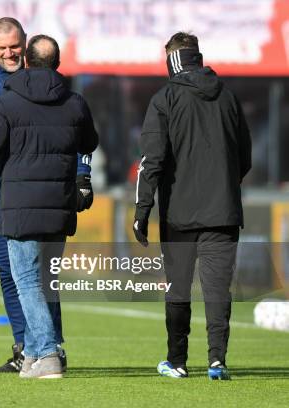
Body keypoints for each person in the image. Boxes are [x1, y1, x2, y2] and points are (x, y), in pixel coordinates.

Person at [0, 17, 93, 372]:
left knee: (32, 277)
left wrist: (82, 174)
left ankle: (47, 349)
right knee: (13, 275)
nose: (8, 53)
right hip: (7, 195)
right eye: (1, 48)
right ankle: (27, 347)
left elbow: (77, 142)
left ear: (26, 46)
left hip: (21, 196)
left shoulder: (23, 97)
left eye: (14, 46)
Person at [133, 32, 251, 380]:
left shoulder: (165, 98)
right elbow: (244, 158)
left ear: (170, 60)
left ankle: (177, 361)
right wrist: (223, 187)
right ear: (197, 57)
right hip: (224, 210)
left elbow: (151, 161)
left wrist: (142, 211)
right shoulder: (228, 97)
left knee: (178, 288)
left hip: (179, 215)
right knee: (218, 290)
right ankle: (217, 361)